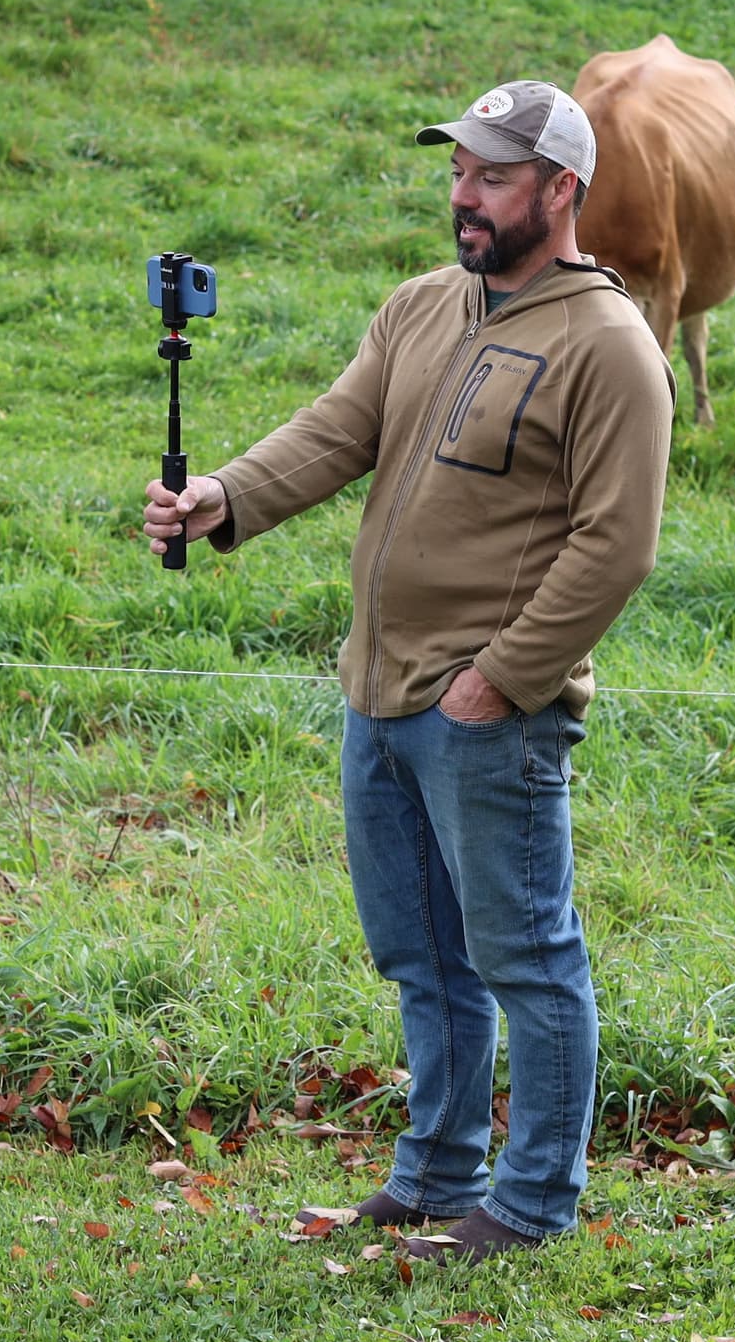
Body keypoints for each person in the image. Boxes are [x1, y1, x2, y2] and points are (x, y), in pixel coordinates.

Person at [140, 79, 671, 1259]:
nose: (464, 194)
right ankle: (437, 1174)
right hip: (376, 694)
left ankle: (531, 1204)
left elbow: (616, 545)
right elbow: (340, 430)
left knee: (526, 958)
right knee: (422, 956)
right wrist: (225, 496)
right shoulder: (426, 304)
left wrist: (502, 679)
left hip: (487, 713)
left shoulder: (609, 346)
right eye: (457, 170)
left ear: (560, 189)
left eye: (490, 173)